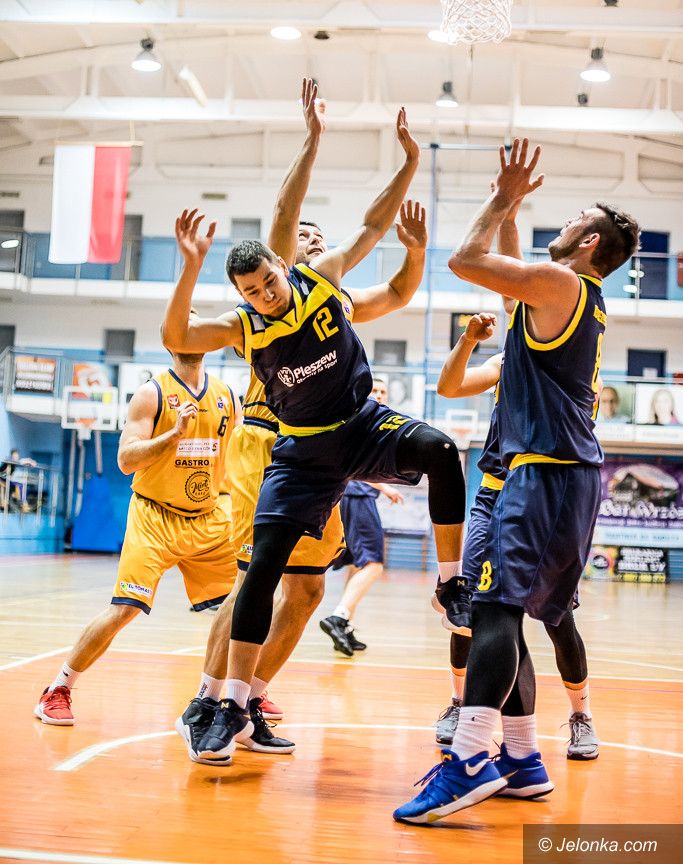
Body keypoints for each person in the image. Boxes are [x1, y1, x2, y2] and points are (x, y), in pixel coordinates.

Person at [163, 106, 468, 768]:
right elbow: (282, 211)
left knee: (305, 592)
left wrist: (411, 176)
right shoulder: (251, 312)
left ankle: (251, 701)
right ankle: (211, 702)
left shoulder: (328, 289)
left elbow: (393, 278)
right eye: (298, 235)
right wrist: (313, 138)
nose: (305, 240)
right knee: (257, 576)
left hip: (349, 436)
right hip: (276, 446)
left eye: (312, 237)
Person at [395, 138, 639, 824]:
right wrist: (513, 212)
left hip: (543, 475)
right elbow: (509, 281)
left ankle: (470, 758)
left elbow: (464, 261)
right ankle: (524, 758)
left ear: (589, 242)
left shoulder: (564, 285)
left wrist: (502, 198)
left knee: (496, 611)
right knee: (506, 614)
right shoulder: (570, 299)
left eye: (574, 219)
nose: (562, 222)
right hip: (559, 477)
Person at [34, 343, 240, 726]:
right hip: (155, 515)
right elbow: (126, 461)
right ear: (172, 341)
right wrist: (174, 435)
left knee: (243, 604)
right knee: (125, 608)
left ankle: (243, 696)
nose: (191, 334)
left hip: (209, 517)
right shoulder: (152, 393)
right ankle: (58, 689)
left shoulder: (227, 396)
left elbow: (240, 457)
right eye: (184, 328)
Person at [433, 308, 600, 762]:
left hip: (544, 495)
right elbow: (449, 387)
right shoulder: (506, 361)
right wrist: (469, 340)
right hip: (495, 492)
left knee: (557, 618)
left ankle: (582, 715)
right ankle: (459, 703)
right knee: (469, 608)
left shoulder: (570, 366)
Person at [320, 376, 404, 656]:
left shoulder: (367, 422)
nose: (378, 395)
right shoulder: (362, 421)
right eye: (374, 390)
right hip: (356, 496)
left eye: (383, 391)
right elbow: (356, 466)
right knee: (373, 564)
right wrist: (386, 487)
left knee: (357, 566)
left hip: (348, 497)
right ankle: (339, 616)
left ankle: (345, 626)